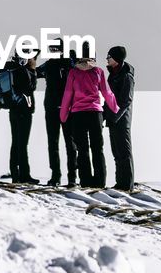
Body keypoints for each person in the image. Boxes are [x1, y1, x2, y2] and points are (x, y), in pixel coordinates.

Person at [60, 45, 118, 187]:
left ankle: (85, 181)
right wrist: (115, 108)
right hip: (95, 114)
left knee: (82, 149)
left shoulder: (73, 72)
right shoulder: (98, 71)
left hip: (78, 114)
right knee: (97, 149)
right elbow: (107, 92)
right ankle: (100, 182)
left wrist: (63, 115)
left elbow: (68, 95)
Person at [36, 44, 77, 186]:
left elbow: (35, 72)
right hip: (55, 107)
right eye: (51, 50)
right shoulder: (51, 65)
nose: (53, 52)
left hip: (64, 107)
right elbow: (34, 73)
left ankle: (70, 177)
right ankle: (57, 176)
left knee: (69, 143)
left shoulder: (68, 64)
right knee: (55, 143)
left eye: (56, 49)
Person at [104, 45, 135, 190]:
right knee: (116, 152)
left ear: (116, 58)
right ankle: (120, 183)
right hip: (113, 118)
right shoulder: (113, 74)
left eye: (109, 56)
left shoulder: (126, 75)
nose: (107, 59)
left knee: (124, 152)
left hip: (121, 120)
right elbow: (109, 98)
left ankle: (127, 184)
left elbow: (126, 101)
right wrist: (105, 114)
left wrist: (115, 116)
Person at [6, 53, 39, 184]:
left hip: (13, 110)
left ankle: (15, 174)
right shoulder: (25, 70)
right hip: (24, 110)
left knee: (16, 143)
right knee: (22, 144)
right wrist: (31, 70)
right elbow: (31, 87)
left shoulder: (10, 68)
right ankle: (24, 175)